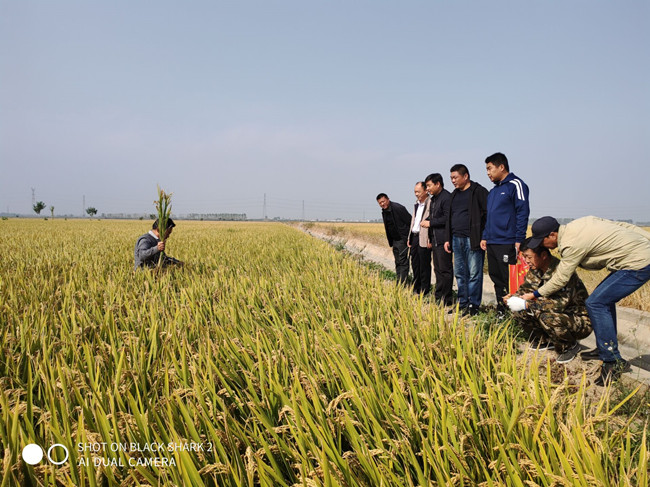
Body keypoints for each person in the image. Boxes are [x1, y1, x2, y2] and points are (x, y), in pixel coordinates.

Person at [523, 216, 650, 385]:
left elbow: (561, 278)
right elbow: (621, 225)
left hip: (638, 263)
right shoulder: (579, 224)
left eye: (542, 241)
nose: (542, 246)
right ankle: (605, 347)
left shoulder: (570, 244)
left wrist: (535, 294)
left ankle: (612, 362)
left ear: (552, 235)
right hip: (634, 258)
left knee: (596, 303)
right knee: (602, 300)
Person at [505, 238, 592, 363]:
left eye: (529, 257)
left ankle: (569, 346)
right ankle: (544, 340)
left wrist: (527, 304)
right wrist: (513, 298)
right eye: (524, 257)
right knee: (519, 310)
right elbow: (526, 290)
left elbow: (560, 304)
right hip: (558, 313)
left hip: (578, 318)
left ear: (543, 255)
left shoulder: (561, 273)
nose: (526, 261)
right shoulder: (535, 269)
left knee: (546, 316)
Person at [481, 153, 530, 316]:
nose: (488, 173)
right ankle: (501, 310)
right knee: (496, 278)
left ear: (501, 167)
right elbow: (490, 217)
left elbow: (522, 212)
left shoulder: (516, 185)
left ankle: (515, 314)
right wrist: (485, 236)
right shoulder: (493, 191)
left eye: (490, 168)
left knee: (509, 278)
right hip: (492, 241)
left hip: (507, 241)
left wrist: (519, 239)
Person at [444, 164, 488, 315]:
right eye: (451, 178)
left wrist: (484, 236)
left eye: (455, 177)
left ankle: (473, 306)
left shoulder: (478, 192)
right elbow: (449, 218)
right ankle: (462, 303)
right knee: (460, 273)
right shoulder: (453, 195)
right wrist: (447, 238)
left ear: (465, 176)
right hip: (456, 239)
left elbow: (488, 215)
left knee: (474, 273)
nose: (453, 181)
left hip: (473, 238)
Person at [420, 173, 453, 305]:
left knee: (445, 270)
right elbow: (434, 216)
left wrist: (430, 223)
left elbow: (447, 218)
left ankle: (447, 299)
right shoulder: (433, 199)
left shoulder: (446, 198)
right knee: (438, 270)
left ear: (438, 184)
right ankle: (439, 297)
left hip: (443, 239)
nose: (427, 189)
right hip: (435, 239)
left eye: (429, 186)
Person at [377, 193, 412, 284]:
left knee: (403, 261)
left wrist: (409, 238)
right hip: (394, 240)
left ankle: (402, 283)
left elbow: (410, 221)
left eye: (383, 201)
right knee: (397, 262)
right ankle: (399, 281)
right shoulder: (384, 211)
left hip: (402, 239)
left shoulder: (398, 208)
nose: (382, 204)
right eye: (380, 203)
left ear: (388, 199)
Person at [408, 182, 432, 295]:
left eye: (418, 192)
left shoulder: (431, 203)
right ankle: (416, 287)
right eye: (415, 192)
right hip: (415, 237)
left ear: (426, 191)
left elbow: (431, 222)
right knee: (415, 264)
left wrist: (430, 239)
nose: (416, 194)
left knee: (424, 265)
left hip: (424, 238)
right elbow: (413, 221)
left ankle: (424, 290)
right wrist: (410, 237)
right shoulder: (417, 204)